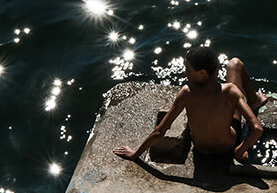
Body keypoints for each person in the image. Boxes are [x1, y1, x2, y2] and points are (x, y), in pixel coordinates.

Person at [113, 45, 266, 162]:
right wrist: (240, 151)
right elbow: (257, 129)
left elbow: (160, 131)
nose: (185, 73)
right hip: (228, 146)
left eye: (188, 69)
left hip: (201, 149)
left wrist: (135, 154)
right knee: (235, 64)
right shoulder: (230, 91)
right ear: (217, 68)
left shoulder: (187, 93)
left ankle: (253, 101)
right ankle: (254, 100)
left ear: (202, 73)